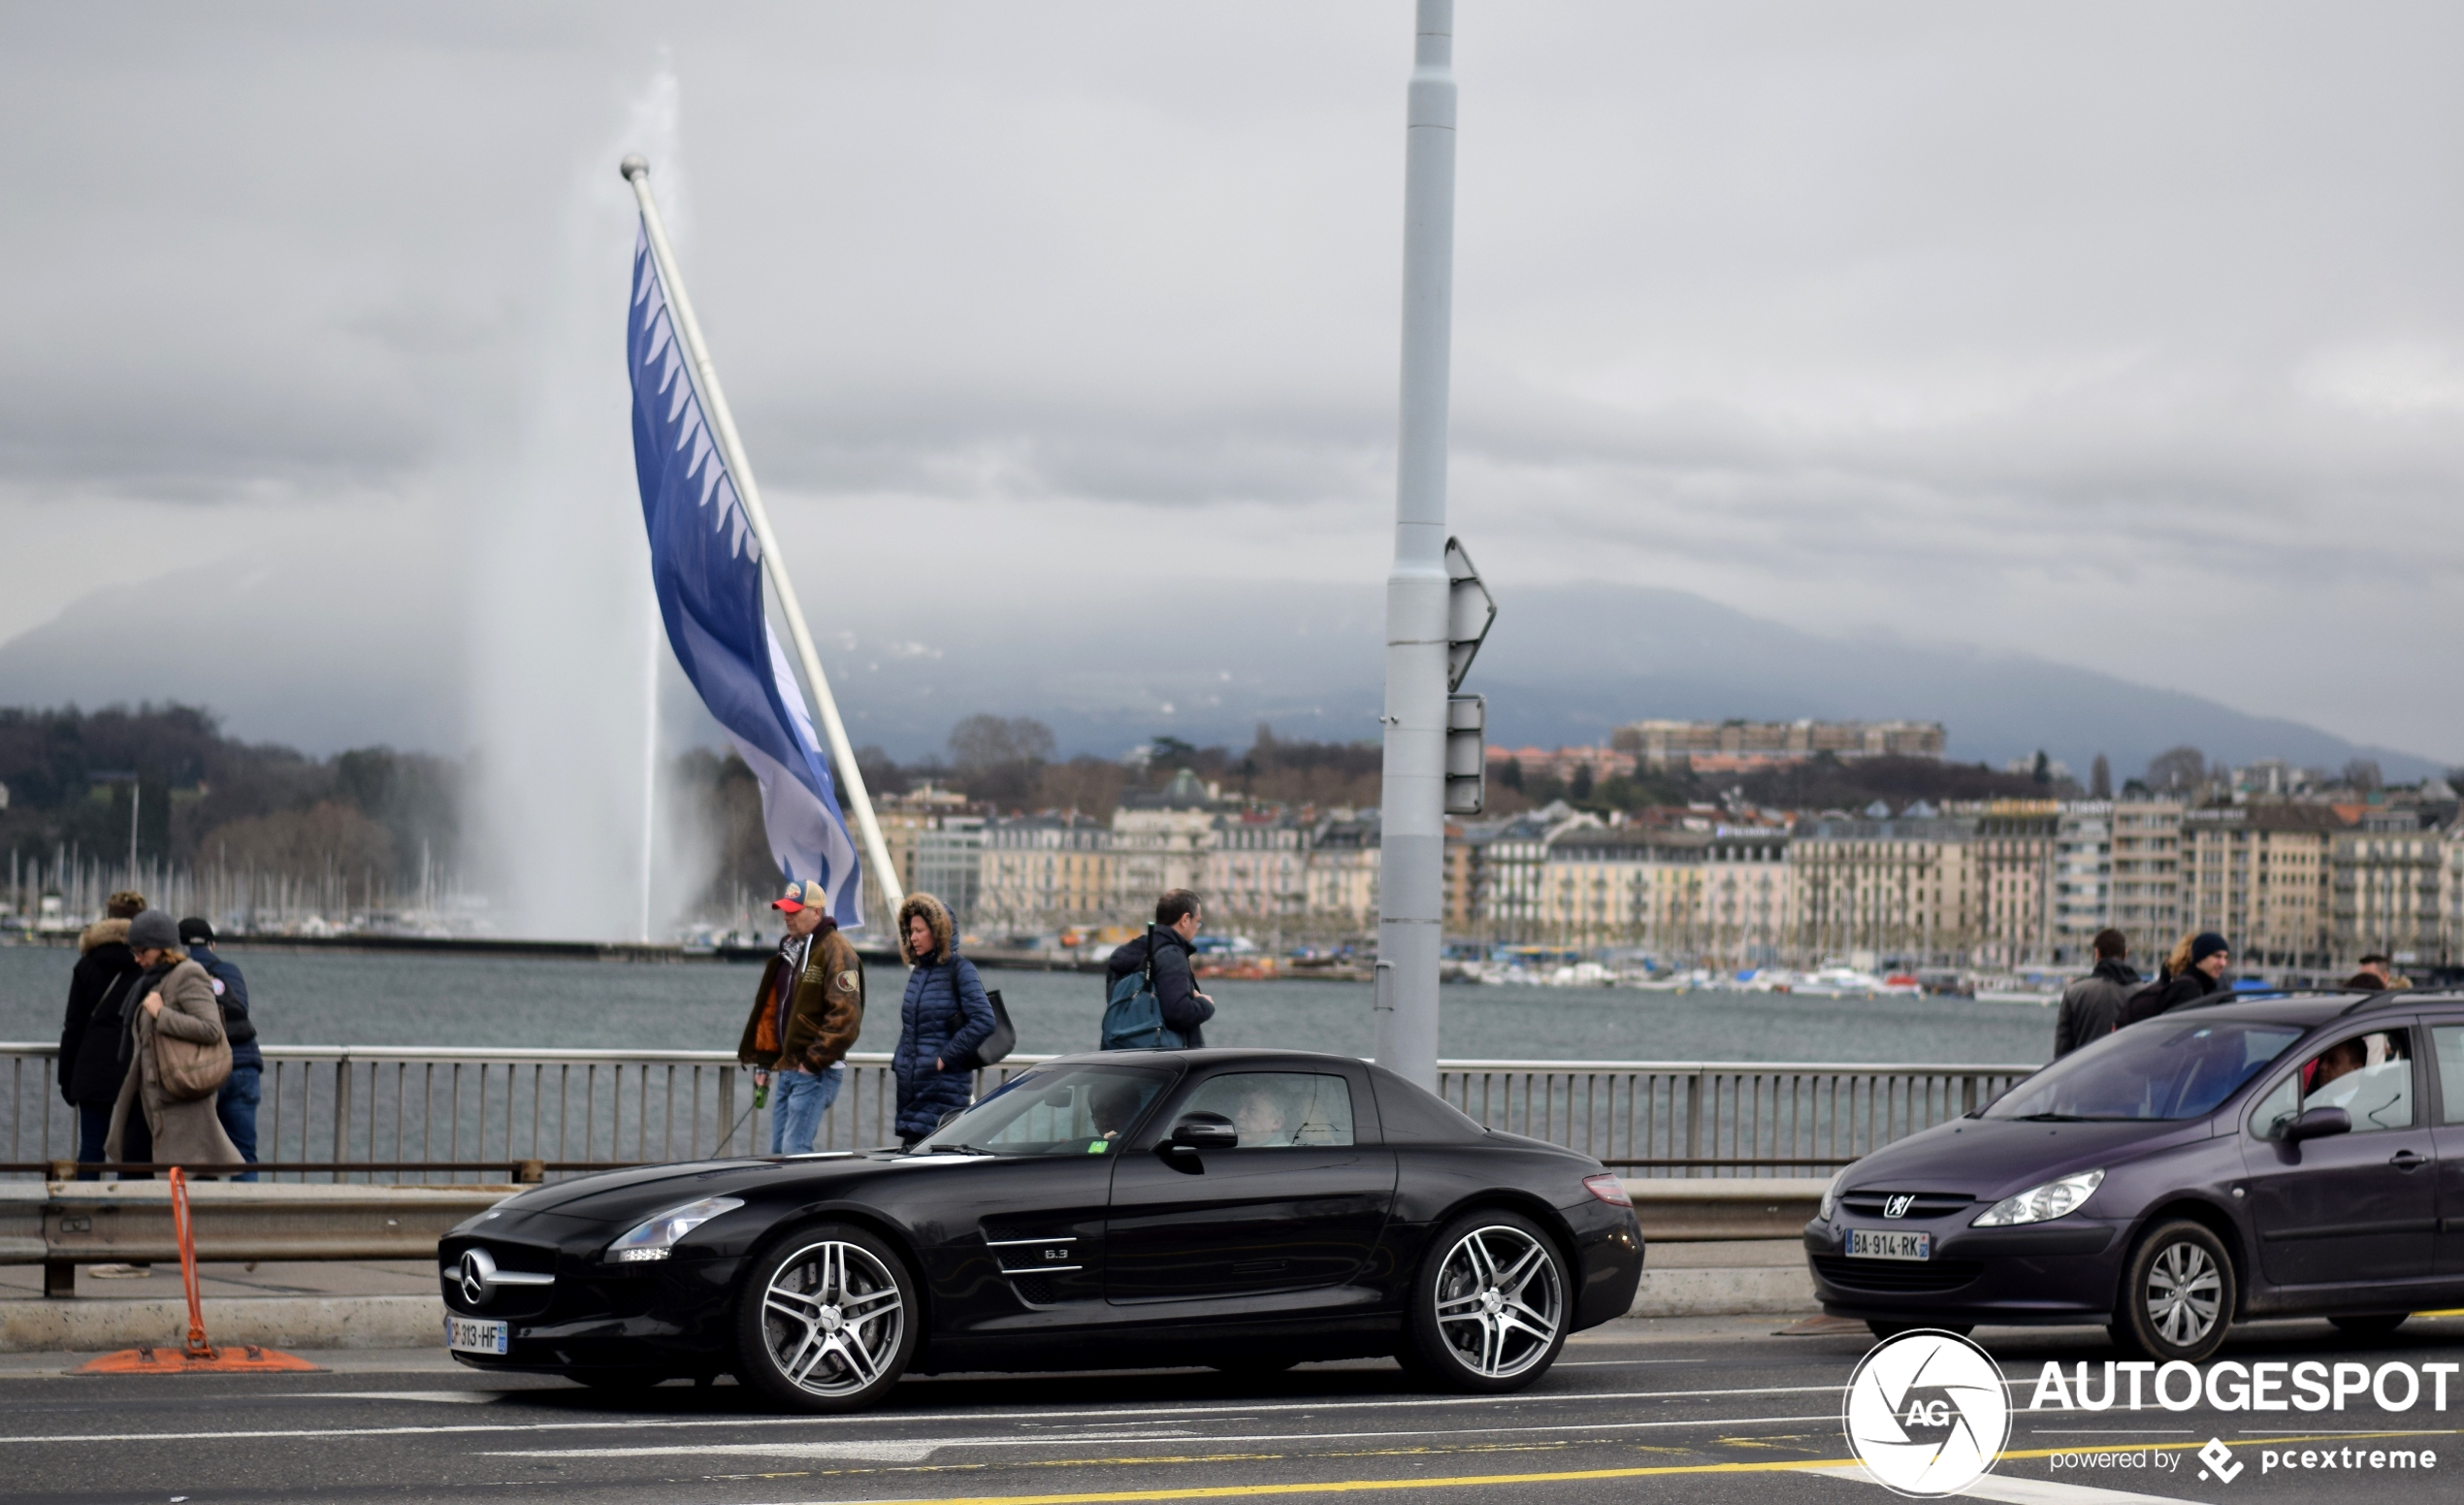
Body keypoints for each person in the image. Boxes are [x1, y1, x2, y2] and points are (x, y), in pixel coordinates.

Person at [104, 910, 242, 1177]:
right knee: (136, 1172)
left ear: (162, 947)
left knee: (166, 1180)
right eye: (134, 951)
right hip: (148, 1097)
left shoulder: (189, 974)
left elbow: (211, 1028)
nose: (137, 958)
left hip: (176, 1099)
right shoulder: (153, 979)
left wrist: (162, 1014)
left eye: (142, 950)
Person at [735, 880, 864, 1156]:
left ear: (816, 913)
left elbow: (846, 1018)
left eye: (794, 911)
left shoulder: (837, 951)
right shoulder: (789, 952)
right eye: (784, 910)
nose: (786, 916)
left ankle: (808, 1199)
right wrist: (764, 1065)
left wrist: (811, 1062)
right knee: (779, 1152)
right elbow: (774, 1012)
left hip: (815, 1071)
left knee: (795, 1151)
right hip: (789, 1067)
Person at [891, 892, 996, 1148]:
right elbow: (913, 1027)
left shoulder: (960, 969)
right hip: (915, 1092)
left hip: (942, 1092)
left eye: (919, 930)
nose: (913, 937)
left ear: (937, 931)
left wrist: (944, 1059)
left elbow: (984, 1019)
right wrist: (901, 1061)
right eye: (910, 931)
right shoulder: (919, 973)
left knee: (925, 1167)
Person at [59, 890, 148, 1181]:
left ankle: (86, 1213)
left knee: (91, 1149)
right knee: (132, 1151)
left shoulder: (86, 964)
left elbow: (73, 1026)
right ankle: (126, 1215)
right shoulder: (146, 967)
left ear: (108, 917)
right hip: (133, 1068)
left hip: (91, 1068)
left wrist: (66, 1079)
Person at [179, 918, 260, 1181]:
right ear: (212, 945)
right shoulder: (231, 971)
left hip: (203, 1072)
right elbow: (242, 1008)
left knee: (200, 1156)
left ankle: (204, 1218)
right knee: (244, 1155)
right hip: (243, 1066)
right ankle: (248, 1218)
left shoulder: (178, 972)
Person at [1102, 889, 1216, 1049]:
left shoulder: (1129, 952)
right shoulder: (1171, 955)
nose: (1197, 927)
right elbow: (1177, 1013)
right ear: (1185, 919)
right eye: (1197, 922)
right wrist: (1205, 1004)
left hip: (1119, 1053)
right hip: (1160, 1059)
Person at [2054, 930, 2136, 1057]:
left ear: (2096, 954)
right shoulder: (2142, 993)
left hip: (2085, 1072)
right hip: (2128, 1073)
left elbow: (2062, 1052)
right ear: (2125, 953)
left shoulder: (2074, 993)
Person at [2123, 932, 2230, 1027]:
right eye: (2217, 956)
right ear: (2199, 958)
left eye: (2225, 957)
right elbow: (2180, 1034)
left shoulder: (2194, 986)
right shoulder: (2188, 990)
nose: (2223, 963)